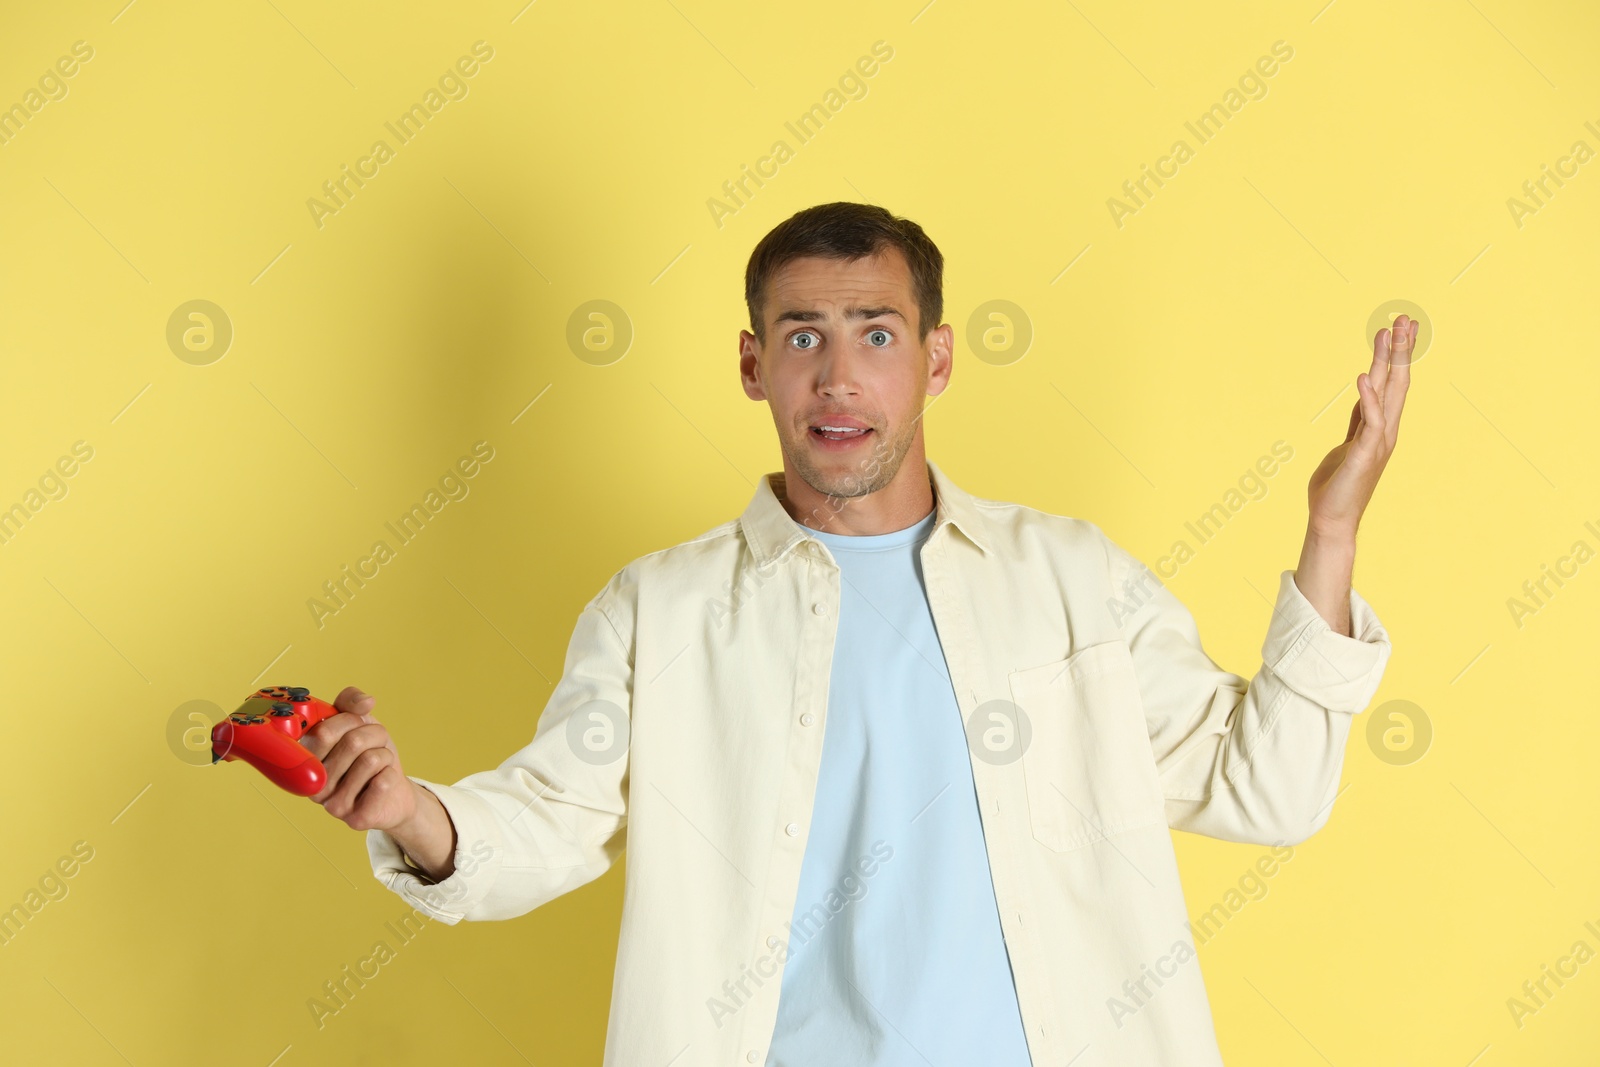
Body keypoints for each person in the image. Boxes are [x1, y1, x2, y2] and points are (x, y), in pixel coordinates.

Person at [302, 201, 1409, 1066]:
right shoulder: (661, 608)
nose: (837, 375)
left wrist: (1332, 526)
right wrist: (411, 811)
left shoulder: (1069, 577)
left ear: (932, 361)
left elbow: (1269, 790)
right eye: (802, 336)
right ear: (753, 365)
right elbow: (549, 816)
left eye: (876, 333)